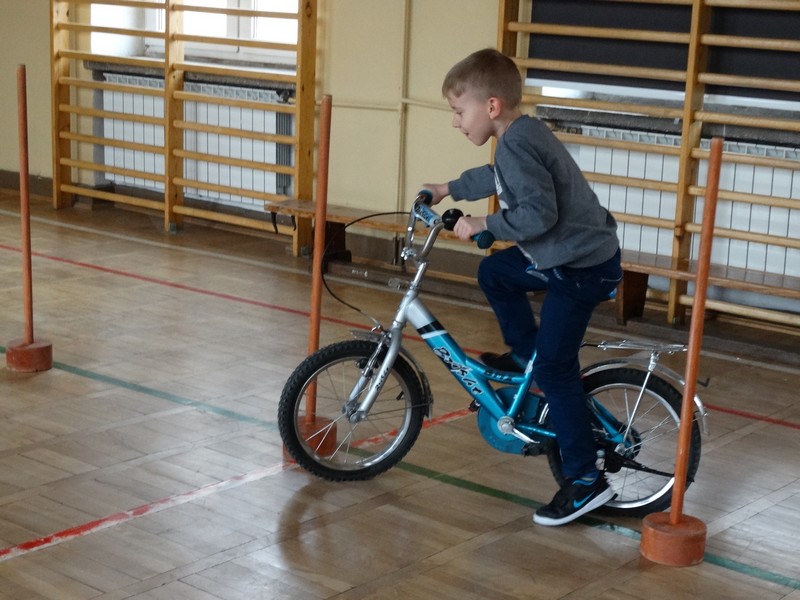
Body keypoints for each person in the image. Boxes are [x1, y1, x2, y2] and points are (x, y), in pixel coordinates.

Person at [423, 48, 622, 526]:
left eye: (459, 111)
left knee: (555, 371)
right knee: (495, 273)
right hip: (567, 255)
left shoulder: (515, 144)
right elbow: (498, 178)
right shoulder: (521, 133)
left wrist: (485, 224)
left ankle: (585, 481)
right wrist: (448, 188)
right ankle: (524, 353)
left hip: (579, 268)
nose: (455, 122)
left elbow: (538, 214)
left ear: (491, 106)